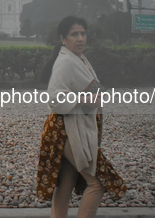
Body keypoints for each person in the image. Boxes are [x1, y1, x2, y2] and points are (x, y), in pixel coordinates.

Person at [36, 16, 126, 218]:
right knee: (98, 183)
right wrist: (84, 99)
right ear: (63, 38)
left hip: (74, 127)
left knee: (66, 182)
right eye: (74, 34)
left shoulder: (78, 58)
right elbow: (54, 98)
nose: (80, 38)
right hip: (66, 130)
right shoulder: (66, 62)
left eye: (83, 33)